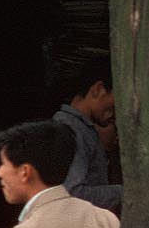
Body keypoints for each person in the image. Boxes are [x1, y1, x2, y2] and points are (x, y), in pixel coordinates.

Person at [51, 59, 122, 213]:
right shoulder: (71, 129)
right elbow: (72, 194)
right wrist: (124, 193)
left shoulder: (81, 128)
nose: (117, 111)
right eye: (118, 101)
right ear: (98, 89)